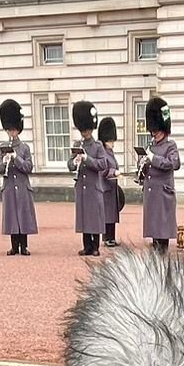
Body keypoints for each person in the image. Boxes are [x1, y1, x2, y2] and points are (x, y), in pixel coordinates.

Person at [67, 100, 107, 257]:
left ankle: (95, 246)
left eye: (87, 130)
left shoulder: (97, 146)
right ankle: (87, 246)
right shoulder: (77, 144)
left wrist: (87, 159)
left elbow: (102, 164)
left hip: (93, 187)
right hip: (82, 187)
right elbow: (69, 164)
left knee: (94, 218)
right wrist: (75, 161)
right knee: (84, 217)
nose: (85, 133)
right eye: (83, 130)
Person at [138, 96, 178, 252]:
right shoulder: (150, 145)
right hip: (151, 190)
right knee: (154, 225)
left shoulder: (170, 145)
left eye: (156, 130)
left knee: (162, 227)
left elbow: (173, 163)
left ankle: (162, 249)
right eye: (152, 130)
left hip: (163, 191)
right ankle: (156, 246)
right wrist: (141, 164)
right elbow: (146, 166)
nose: (154, 133)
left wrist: (153, 158)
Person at [0, 98, 36, 255]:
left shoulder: (24, 147)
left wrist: (16, 158)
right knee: (12, 215)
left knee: (23, 215)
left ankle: (24, 246)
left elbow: (28, 167)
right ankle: (14, 246)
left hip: (22, 186)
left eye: (14, 130)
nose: (11, 133)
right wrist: (4, 162)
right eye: (9, 130)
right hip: (9, 187)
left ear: (18, 130)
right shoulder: (2, 147)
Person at [96, 115, 123, 246]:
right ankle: (106, 238)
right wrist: (115, 172)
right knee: (107, 215)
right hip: (106, 188)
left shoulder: (110, 153)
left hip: (112, 188)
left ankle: (111, 237)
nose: (113, 143)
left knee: (112, 215)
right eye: (111, 141)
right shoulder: (103, 153)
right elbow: (104, 170)